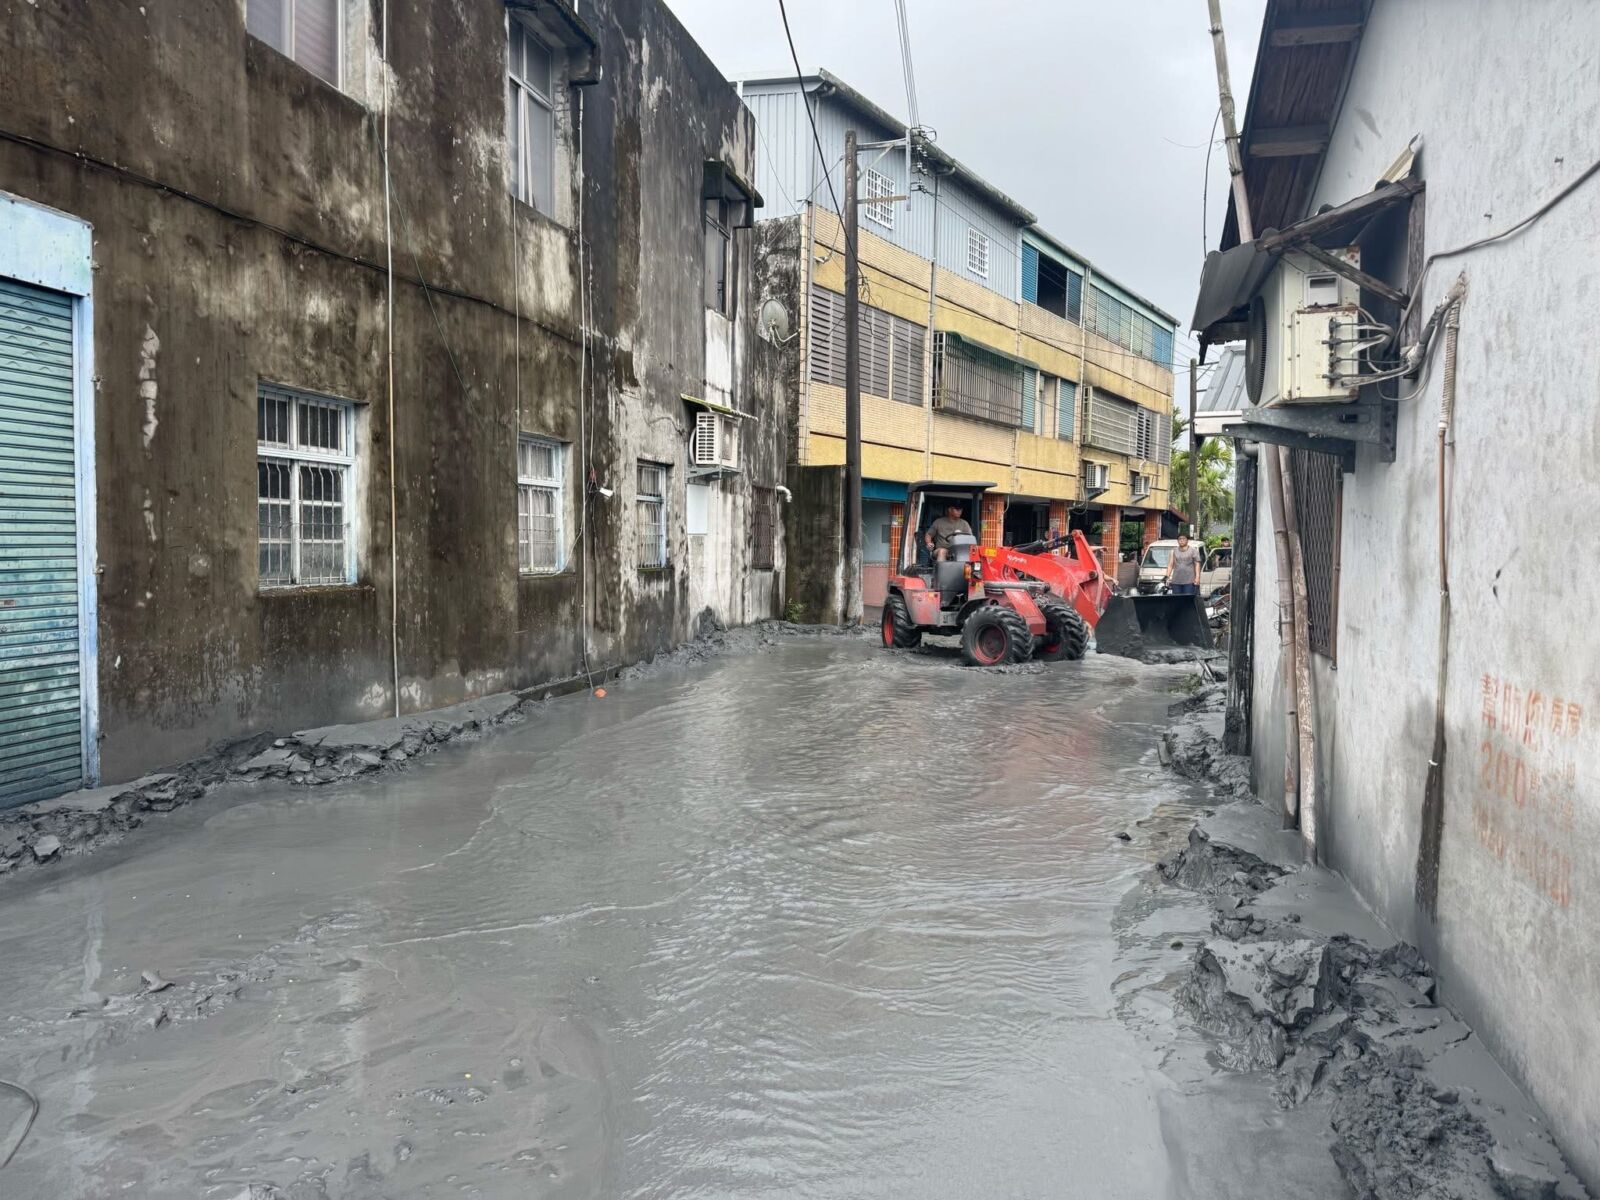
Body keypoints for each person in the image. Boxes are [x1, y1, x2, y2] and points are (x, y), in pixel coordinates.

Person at [1166, 532, 1202, 596]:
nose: (1181, 540)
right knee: (1177, 599)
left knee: (1188, 599)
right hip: (1176, 581)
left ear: (1187, 540)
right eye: (1180, 539)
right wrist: (1167, 577)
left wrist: (1197, 578)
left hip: (1189, 581)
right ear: (1177, 541)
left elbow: (1197, 565)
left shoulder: (1193, 551)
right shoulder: (1173, 551)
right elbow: (1170, 565)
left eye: (1183, 539)